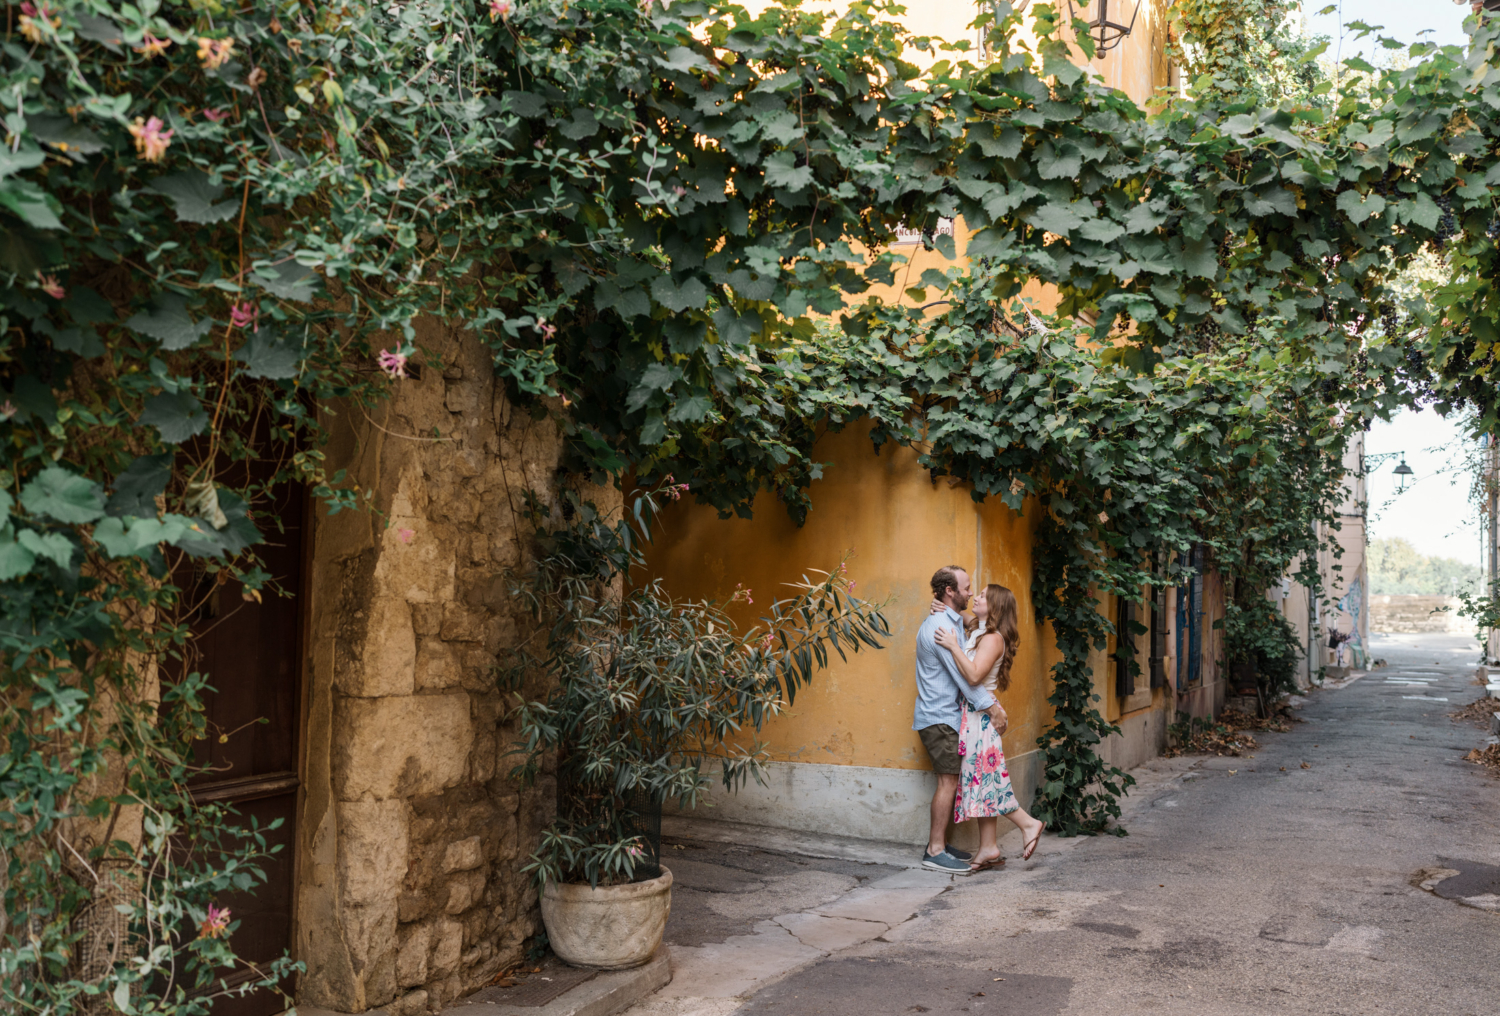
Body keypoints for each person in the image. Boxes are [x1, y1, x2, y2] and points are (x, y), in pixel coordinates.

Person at [933, 583, 1046, 869]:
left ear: (994, 606)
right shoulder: (983, 630)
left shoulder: (993, 639)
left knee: (988, 781)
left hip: (982, 717)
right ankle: (989, 848)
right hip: (974, 714)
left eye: (982, 596)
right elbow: (971, 620)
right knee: (982, 781)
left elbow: (972, 676)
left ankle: (1028, 824)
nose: (975, 597)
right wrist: (949, 611)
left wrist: (953, 645)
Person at [913, 565, 1008, 874]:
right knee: (947, 781)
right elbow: (964, 677)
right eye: (967, 588)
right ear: (950, 591)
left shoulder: (948, 621)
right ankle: (935, 849)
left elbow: (973, 624)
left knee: (950, 780)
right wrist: (992, 707)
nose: (971, 592)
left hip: (945, 717)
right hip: (940, 717)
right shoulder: (942, 627)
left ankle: (940, 843)